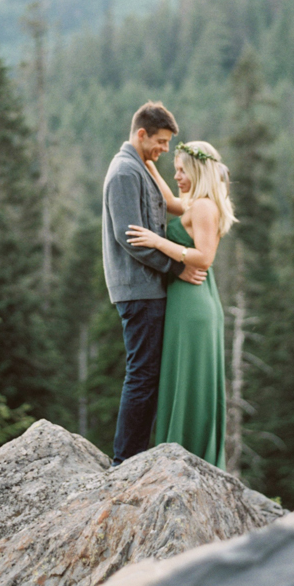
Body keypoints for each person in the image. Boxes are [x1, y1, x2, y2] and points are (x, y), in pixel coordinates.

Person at [102, 102, 208, 465]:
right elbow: (129, 236)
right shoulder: (123, 174)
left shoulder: (140, 168)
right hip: (139, 289)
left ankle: (132, 455)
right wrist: (175, 268)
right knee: (142, 374)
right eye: (160, 142)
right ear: (141, 134)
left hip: (147, 288)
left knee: (147, 374)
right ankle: (125, 460)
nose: (164, 150)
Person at [126, 140, 235, 468]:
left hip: (192, 304)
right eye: (174, 170)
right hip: (185, 301)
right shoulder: (191, 202)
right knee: (180, 377)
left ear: (197, 171)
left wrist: (158, 242)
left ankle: (189, 459)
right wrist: (145, 162)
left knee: (189, 380)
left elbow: (204, 257)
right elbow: (171, 201)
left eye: (181, 170)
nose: (176, 176)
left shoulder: (203, 207)